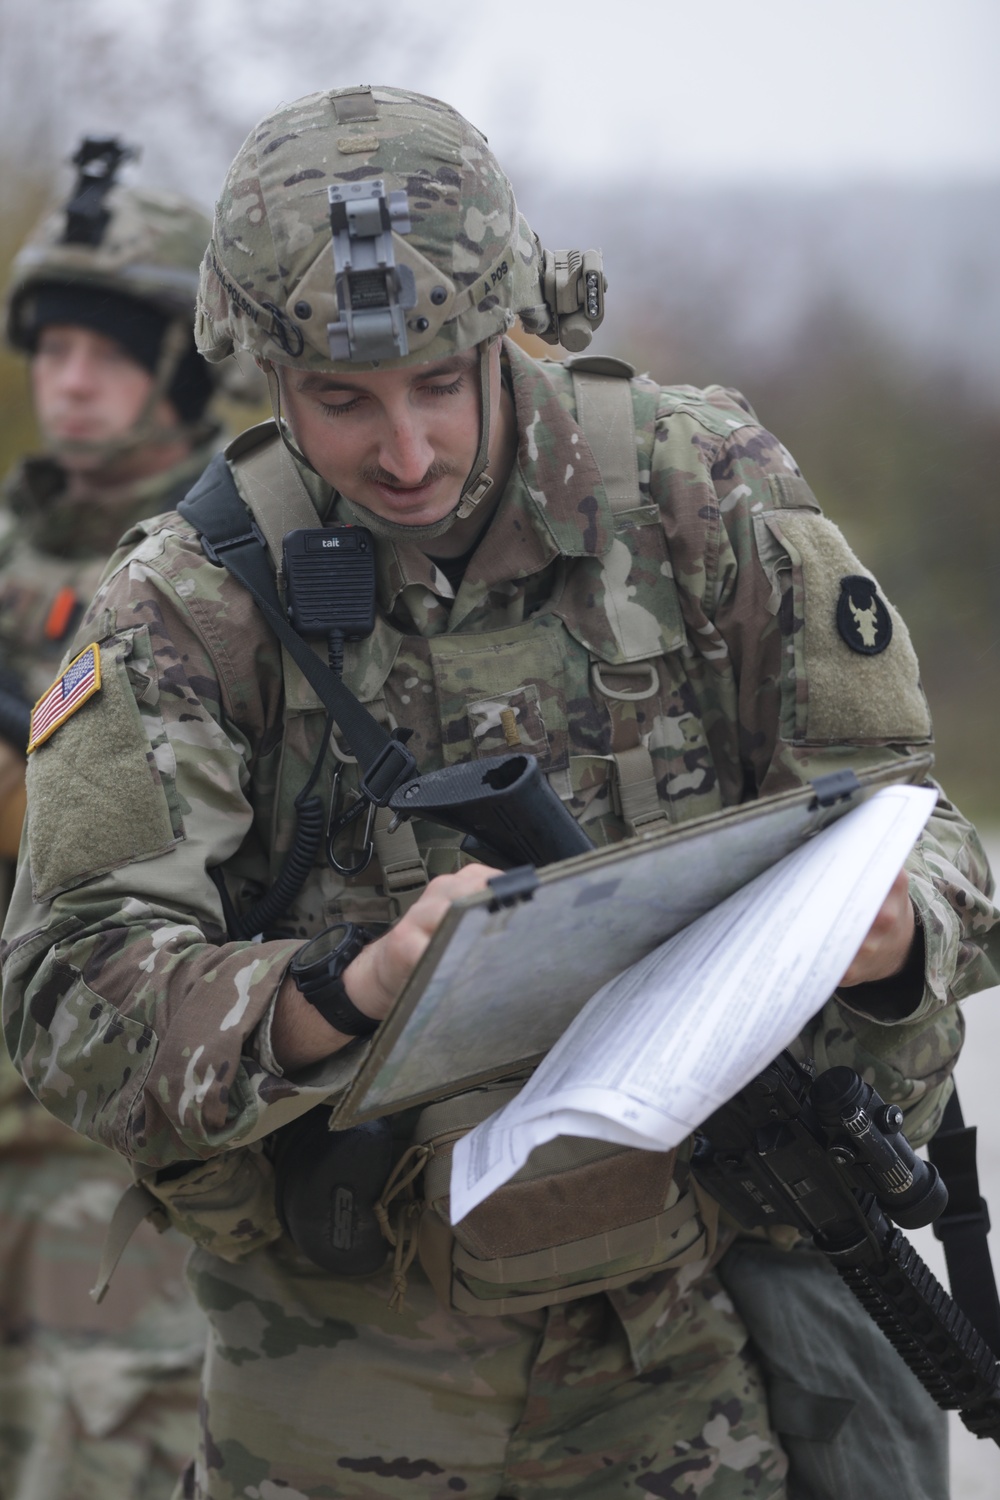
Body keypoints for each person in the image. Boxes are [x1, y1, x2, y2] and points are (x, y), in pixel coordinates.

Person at [2, 88, 997, 1500]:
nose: (404, 454)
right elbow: (61, 991)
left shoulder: (697, 494)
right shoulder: (188, 600)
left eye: (440, 386)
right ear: (262, 370)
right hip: (343, 1382)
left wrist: (894, 931)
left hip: (690, 1358)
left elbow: (933, 838)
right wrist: (346, 991)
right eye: (344, 402)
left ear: (514, 326)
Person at [0, 137, 239, 1500]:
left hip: (126, 1139)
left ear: (180, 366)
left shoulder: (228, 561)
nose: (69, 381)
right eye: (52, 350)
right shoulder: (14, 550)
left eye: (106, 351)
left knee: (109, 1454)